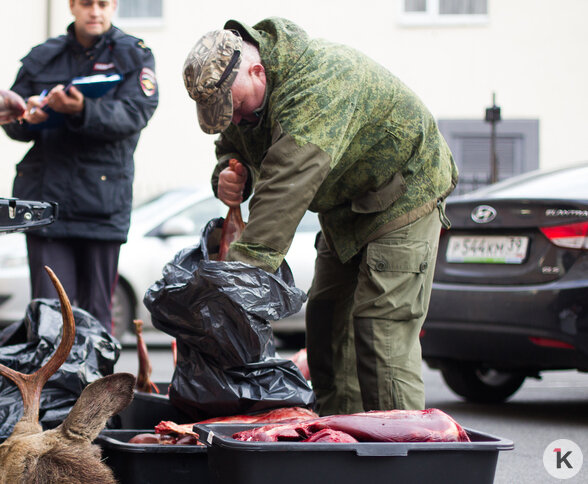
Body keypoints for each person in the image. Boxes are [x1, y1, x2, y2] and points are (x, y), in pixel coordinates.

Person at [182, 18, 458, 416]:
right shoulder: (248, 100)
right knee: (327, 326)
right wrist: (227, 174)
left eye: (236, 107)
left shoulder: (318, 83)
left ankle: (405, 455)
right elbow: (233, 143)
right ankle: (339, 442)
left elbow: (283, 191)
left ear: (257, 71)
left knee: (379, 331)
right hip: (343, 209)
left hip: (402, 198)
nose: (236, 119)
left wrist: (234, 290)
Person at [3, 0, 158, 333]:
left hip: (101, 205)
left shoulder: (134, 55)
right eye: (87, 3)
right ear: (73, 6)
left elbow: (134, 115)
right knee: (49, 320)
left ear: (113, 6)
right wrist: (27, 113)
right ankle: (53, 387)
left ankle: (96, 387)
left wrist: (82, 109)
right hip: (46, 205)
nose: (95, 11)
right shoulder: (42, 56)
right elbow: (12, 120)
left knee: (95, 322)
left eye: (103, 4)